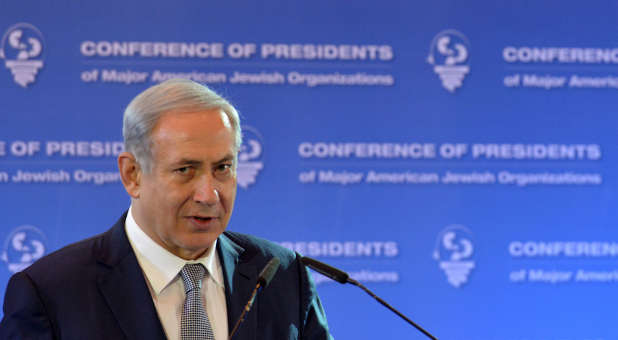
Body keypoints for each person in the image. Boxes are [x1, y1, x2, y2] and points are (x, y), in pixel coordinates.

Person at [0, 79, 333, 340]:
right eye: (185, 169)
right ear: (132, 175)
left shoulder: (282, 276)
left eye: (223, 168)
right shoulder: (50, 292)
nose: (208, 194)